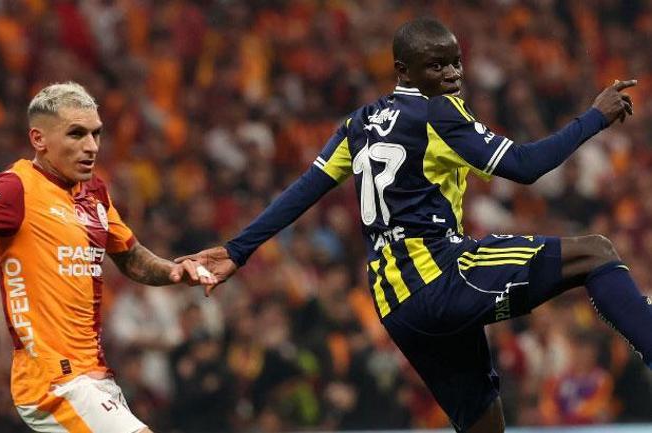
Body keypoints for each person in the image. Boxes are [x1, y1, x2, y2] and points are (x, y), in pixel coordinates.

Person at [176, 18, 652, 433]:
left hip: (397, 306)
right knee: (596, 252)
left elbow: (304, 189)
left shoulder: (358, 124)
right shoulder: (438, 112)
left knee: (483, 424)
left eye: (455, 62)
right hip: (440, 275)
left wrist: (238, 250)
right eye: (435, 66)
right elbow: (526, 167)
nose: (450, 75)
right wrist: (595, 117)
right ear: (403, 70)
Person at [0, 82, 217, 433]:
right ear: (39, 139)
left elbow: (131, 256)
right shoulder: (16, 187)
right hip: (53, 382)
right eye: (76, 134)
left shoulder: (95, 192)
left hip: (94, 376)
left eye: (96, 133)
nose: (91, 146)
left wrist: (174, 271)